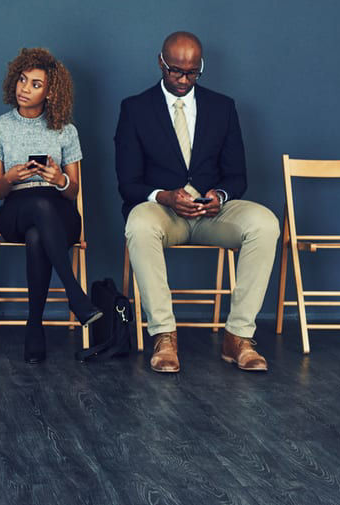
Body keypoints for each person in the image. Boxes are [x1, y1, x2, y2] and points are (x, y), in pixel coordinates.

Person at [114, 31, 280, 373]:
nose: (183, 80)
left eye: (191, 73)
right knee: (139, 224)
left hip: (210, 214)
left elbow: (238, 177)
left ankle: (238, 337)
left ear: (200, 67)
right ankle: (163, 336)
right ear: (161, 62)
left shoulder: (223, 107)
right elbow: (128, 183)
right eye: (175, 71)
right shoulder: (135, 109)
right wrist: (166, 197)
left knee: (265, 223)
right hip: (163, 211)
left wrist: (219, 197)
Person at [0, 48, 103, 363]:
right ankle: (76, 296)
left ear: (50, 93)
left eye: (35, 84)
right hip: (15, 210)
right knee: (35, 207)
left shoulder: (66, 130)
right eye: (22, 80)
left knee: (39, 233)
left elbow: (72, 192)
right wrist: (11, 176)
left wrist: (58, 178)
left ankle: (34, 326)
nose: (25, 88)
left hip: (58, 211)